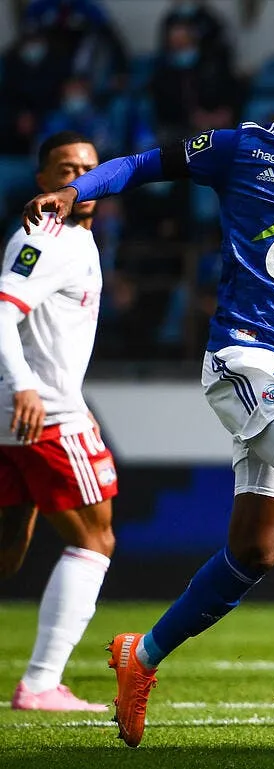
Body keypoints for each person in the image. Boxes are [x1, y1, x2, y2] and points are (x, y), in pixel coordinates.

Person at [21, 46, 274, 747]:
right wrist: (78, 191)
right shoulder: (242, 149)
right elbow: (146, 163)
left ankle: (138, 657)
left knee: (255, 553)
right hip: (243, 355)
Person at [1, 131, 112, 713]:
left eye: (87, 168)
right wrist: (27, 385)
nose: (76, 177)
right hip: (40, 409)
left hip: (26, 407)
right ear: (43, 180)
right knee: (95, 538)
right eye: (64, 168)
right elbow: (2, 308)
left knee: (7, 551)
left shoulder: (71, 236)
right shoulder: (51, 238)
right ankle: (42, 682)